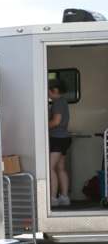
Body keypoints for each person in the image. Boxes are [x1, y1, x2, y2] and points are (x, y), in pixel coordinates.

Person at [48, 79, 71, 207]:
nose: (47, 94)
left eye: (48, 91)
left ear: (54, 90)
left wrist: (44, 126)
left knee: (50, 168)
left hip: (57, 138)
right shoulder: (64, 102)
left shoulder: (57, 103)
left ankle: (52, 198)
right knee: (61, 168)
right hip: (65, 138)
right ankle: (64, 197)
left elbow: (56, 121)